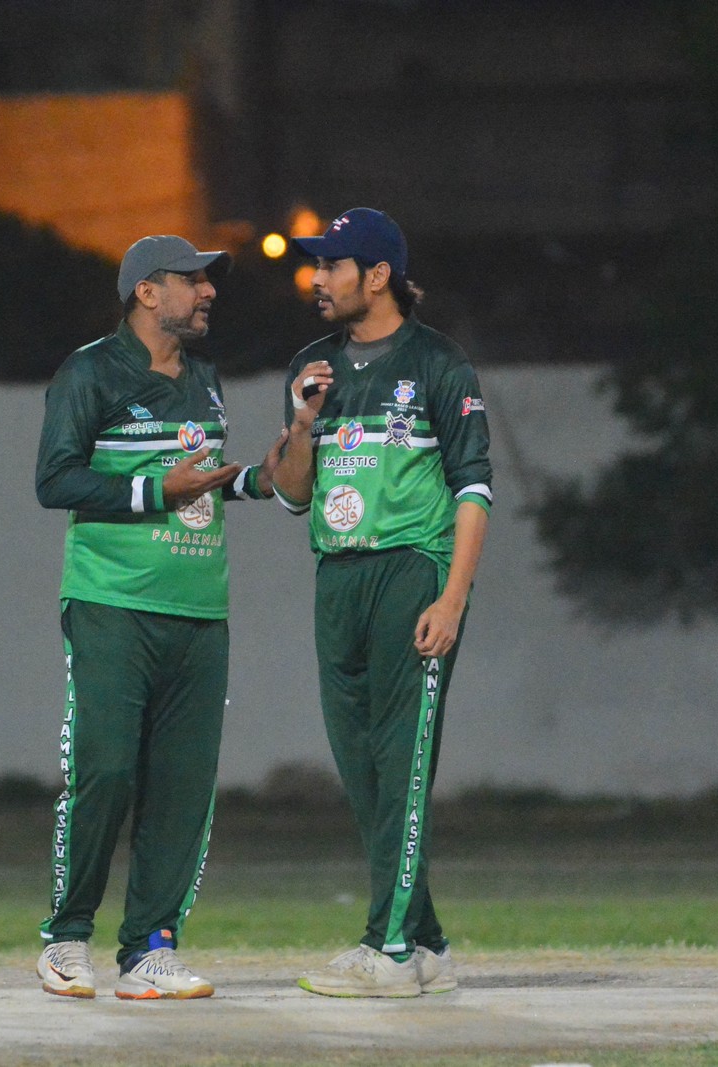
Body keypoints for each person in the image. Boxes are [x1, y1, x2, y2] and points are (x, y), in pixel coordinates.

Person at [33, 235, 286, 1001]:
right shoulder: (89, 371)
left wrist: (259, 477)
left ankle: (151, 946)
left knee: (183, 786)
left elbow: (199, 483)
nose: (209, 292)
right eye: (193, 280)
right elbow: (55, 480)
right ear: (146, 291)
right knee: (106, 769)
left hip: (200, 606)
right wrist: (153, 492)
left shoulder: (204, 378)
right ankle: (66, 937)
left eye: (210, 282)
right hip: (112, 601)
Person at [272, 208, 492, 997]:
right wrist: (303, 420)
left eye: (332, 265)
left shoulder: (437, 363)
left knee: (401, 764)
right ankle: (425, 942)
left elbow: (474, 491)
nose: (317, 278)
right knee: (362, 767)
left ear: (376, 275)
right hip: (338, 576)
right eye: (317, 265)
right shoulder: (312, 366)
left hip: (411, 573)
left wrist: (452, 597)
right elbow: (292, 494)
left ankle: (390, 948)